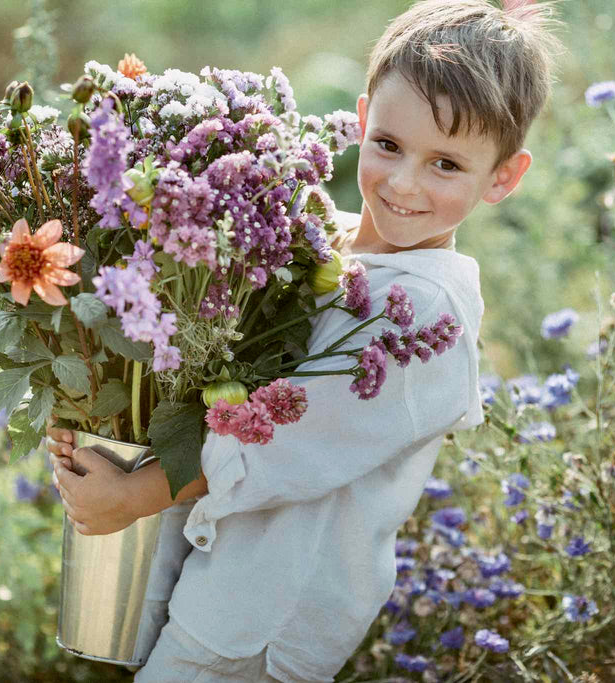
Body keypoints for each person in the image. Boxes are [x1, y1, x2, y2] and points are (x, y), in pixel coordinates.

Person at [47, 0, 561, 679]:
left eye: (446, 164)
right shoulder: (327, 237)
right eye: (388, 145)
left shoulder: (424, 315)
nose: (404, 184)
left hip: (268, 613)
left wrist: (131, 497)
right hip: (218, 576)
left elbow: (280, 438)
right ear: (361, 119)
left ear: (503, 176)